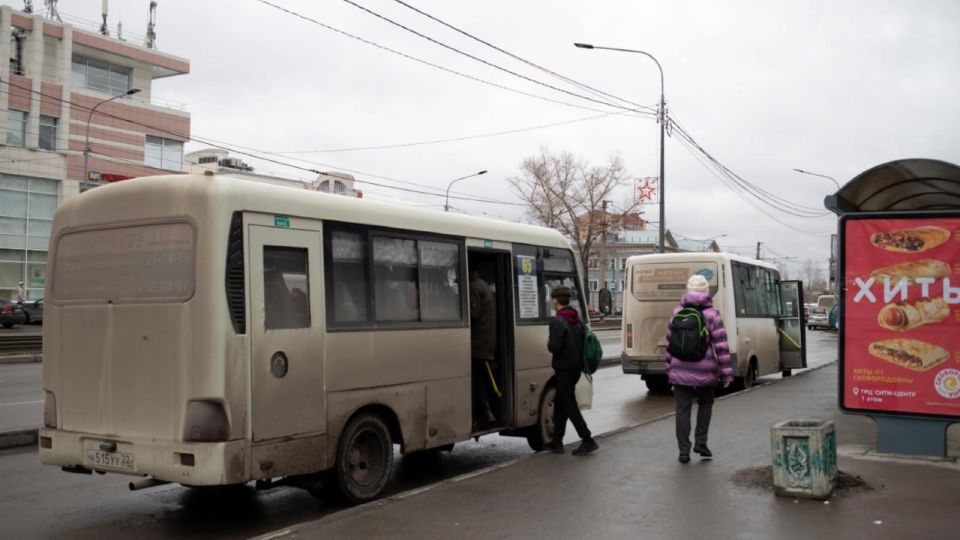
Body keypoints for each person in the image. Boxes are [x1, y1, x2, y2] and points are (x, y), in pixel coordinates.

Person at [665, 274, 732, 464]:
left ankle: (683, 451)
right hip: (705, 370)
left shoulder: (677, 311)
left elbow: (669, 344)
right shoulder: (712, 314)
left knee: (682, 408)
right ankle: (701, 443)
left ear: (688, 290)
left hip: (679, 369)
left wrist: (669, 368)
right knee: (705, 404)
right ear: (705, 292)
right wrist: (726, 374)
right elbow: (721, 347)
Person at [546, 286, 598, 456]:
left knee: (569, 405)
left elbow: (554, 347)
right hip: (576, 368)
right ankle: (556, 441)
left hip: (564, 369)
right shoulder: (577, 319)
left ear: (555, 300)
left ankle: (588, 439)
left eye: (551, 298)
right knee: (561, 404)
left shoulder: (558, 321)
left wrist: (549, 342)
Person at [469, 271, 497, 428]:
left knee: (476, 380)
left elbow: (474, 313)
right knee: (479, 379)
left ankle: (484, 414)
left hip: (477, 342)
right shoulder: (484, 284)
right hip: (486, 340)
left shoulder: (474, 286)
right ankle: (486, 414)